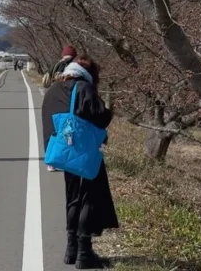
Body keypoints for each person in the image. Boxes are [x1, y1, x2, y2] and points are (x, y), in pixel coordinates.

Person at [42, 55, 118, 269]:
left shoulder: (53, 90)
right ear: (89, 73)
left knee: (73, 198)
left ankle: (71, 250)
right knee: (88, 198)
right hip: (82, 152)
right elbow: (100, 117)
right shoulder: (83, 88)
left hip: (62, 152)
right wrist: (109, 110)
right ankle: (84, 253)